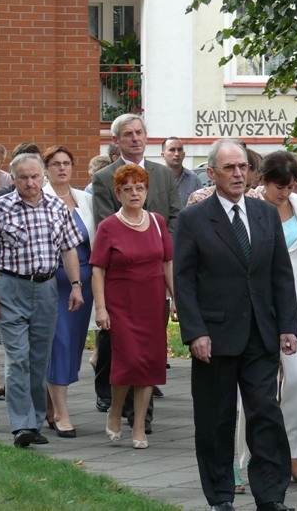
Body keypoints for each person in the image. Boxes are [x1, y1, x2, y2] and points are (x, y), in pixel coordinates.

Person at [174, 138, 297, 511]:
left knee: (265, 414)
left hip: (260, 334)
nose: (238, 174)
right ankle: (220, 497)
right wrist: (195, 331)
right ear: (211, 173)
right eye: (229, 168)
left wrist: (287, 325)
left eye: (243, 167)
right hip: (214, 337)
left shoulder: (264, 214)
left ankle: (271, 497)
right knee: (216, 421)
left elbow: (281, 273)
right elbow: (184, 280)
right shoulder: (194, 219)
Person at [0, 152, 85, 448]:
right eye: (23, 178)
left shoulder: (57, 207)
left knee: (39, 358)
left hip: (46, 289)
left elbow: (69, 249)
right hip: (11, 287)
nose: (30, 183)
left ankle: (35, 421)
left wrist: (75, 285)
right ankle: (21, 425)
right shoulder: (0, 208)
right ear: (15, 178)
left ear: (42, 176)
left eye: (35, 177)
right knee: (18, 358)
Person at [91, 113, 180, 424]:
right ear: (116, 141)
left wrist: (159, 239)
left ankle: (142, 417)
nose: (134, 138)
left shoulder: (164, 175)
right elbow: (106, 223)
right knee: (119, 348)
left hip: (153, 274)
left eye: (139, 132)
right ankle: (115, 402)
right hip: (121, 278)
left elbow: (174, 216)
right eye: (127, 133)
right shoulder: (104, 179)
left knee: (149, 352)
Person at [259, 151, 297, 483]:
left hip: (296, 304)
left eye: (289, 186)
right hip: (260, 308)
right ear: (265, 180)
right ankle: (250, 456)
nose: (284, 192)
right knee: (257, 388)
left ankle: (294, 453)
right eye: (279, 186)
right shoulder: (252, 207)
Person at [41, 146, 95, 438]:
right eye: (56, 164)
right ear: (47, 168)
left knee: (71, 346)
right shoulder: (40, 199)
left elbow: (93, 239)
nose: (62, 168)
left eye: (66, 163)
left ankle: (49, 409)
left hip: (83, 283)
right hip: (52, 282)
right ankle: (62, 414)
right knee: (58, 343)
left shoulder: (85, 199)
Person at [161, 137, 201, 206]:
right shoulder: (154, 179)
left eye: (179, 150)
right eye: (172, 150)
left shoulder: (194, 179)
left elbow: (202, 205)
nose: (177, 154)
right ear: (163, 155)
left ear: (184, 154)